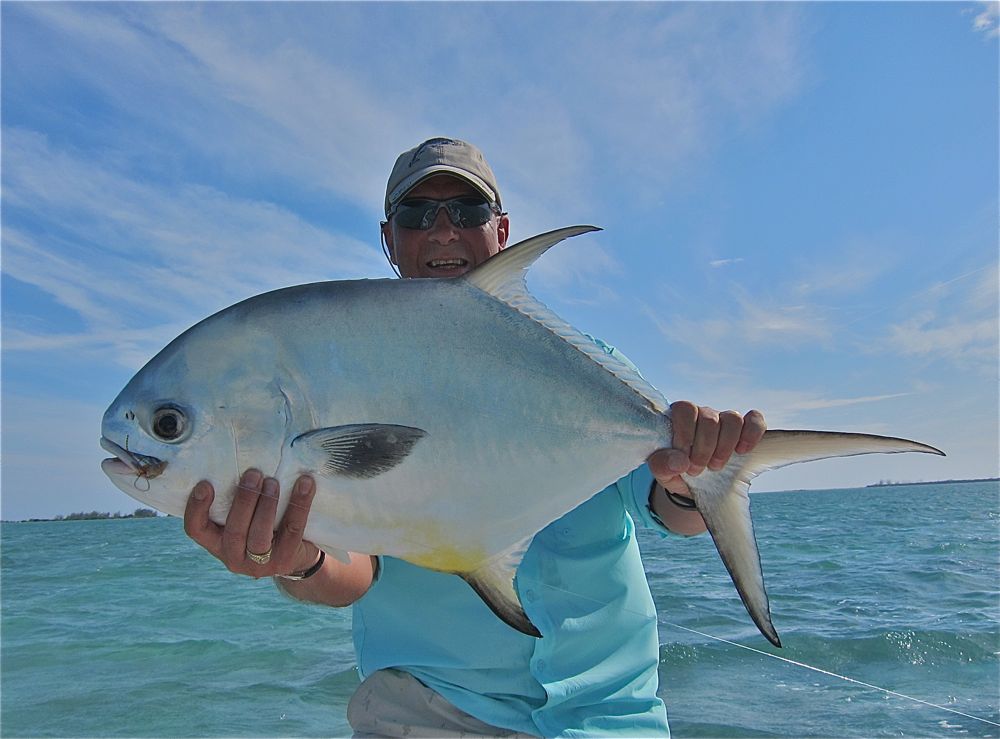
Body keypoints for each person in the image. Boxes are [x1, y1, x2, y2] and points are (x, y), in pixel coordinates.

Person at [184, 137, 766, 737]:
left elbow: (672, 510)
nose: (443, 231)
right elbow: (355, 569)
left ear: (501, 230)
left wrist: (695, 475)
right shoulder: (352, 374)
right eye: (417, 215)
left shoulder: (589, 367)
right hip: (428, 711)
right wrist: (296, 561)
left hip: (608, 714)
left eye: (467, 211)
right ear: (389, 240)